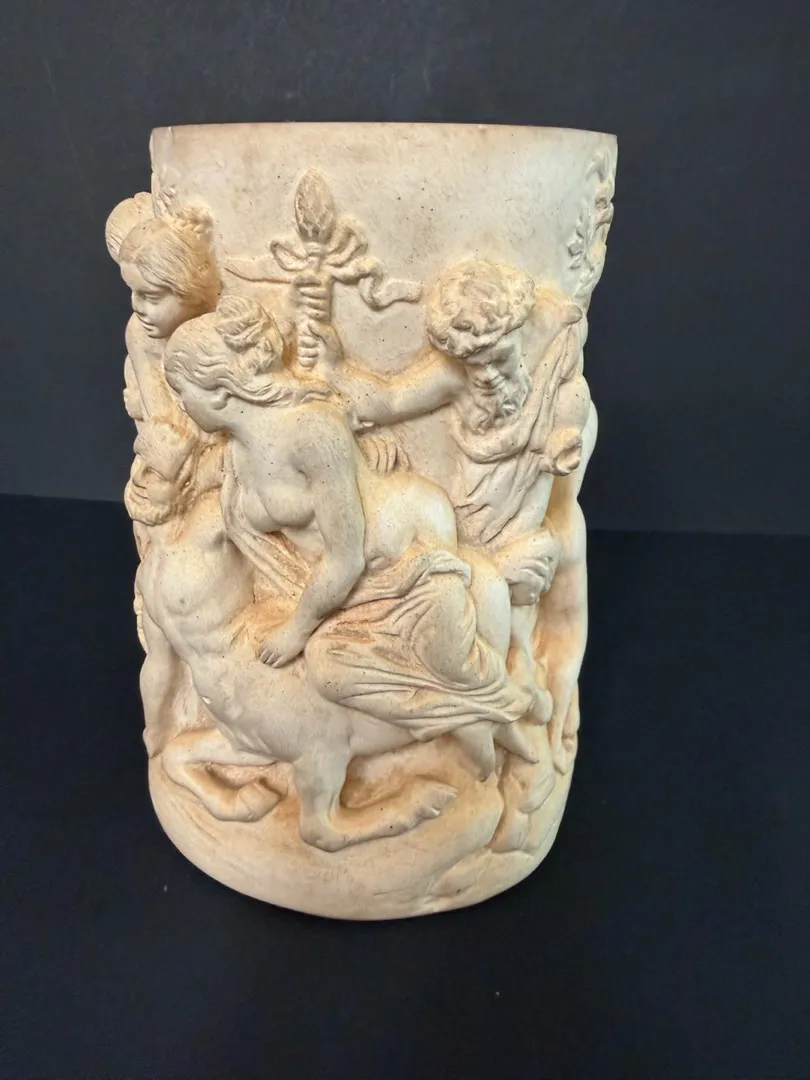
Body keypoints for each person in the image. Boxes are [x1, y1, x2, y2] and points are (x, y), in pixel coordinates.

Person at [164, 295, 538, 776]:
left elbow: (346, 556)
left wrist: (296, 629)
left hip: (399, 564)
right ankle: (485, 710)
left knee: (330, 667)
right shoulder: (238, 451)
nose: (180, 405)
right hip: (339, 580)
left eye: (183, 392)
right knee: (330, 669)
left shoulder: (311, 432)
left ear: (219, 391)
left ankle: (489, 715)